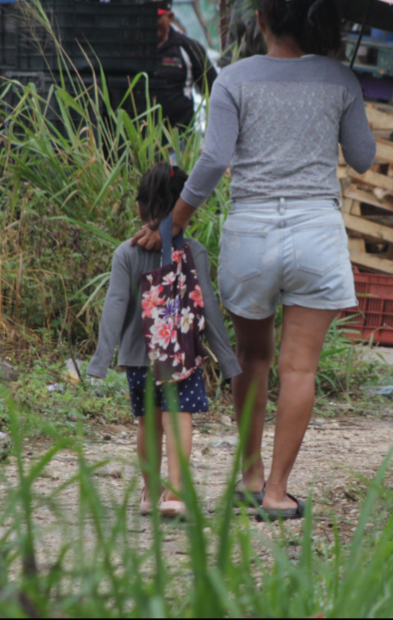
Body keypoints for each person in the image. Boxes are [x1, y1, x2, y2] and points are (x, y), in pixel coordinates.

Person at [132, 0, 377, 521]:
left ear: (260, 19)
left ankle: (250, 476)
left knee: (252, 358)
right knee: (300, 369)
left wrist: (171, 223)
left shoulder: (234, 80)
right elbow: (363, 157)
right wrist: (353, 99)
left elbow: (214, 161)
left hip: (252, 232)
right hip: (316, 229)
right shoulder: (341, 79)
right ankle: (276, 494)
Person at [89, 161, 242, 519]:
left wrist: (100, 359)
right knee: (178, 418)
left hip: (139, 358)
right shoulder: (195, 253)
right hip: (182, 358)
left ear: (139, 207)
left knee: (148, 422)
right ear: (184, 212)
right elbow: (209, 310)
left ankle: (149, 490)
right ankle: (174, 494)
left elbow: (114, 306)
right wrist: (228, 359)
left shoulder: (126, 253)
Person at [150, 0, 217, 128]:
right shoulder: (131, 49)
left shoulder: (189, 48)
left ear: (170, 17)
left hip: (180, 139)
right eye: (148, 16)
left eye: (157, 17)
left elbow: (215, 91)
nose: (152, 22)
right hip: (138, 138)